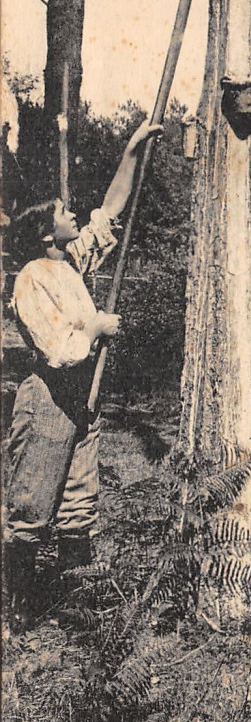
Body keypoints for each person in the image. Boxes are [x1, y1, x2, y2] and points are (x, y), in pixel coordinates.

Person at [3, 118, 162, 630]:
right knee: (33, 502)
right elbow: (58, 350)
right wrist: (94, 327)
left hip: (82, 399)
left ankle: (71, 604)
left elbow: (108, 213)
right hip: (49, 396)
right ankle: (19, 612)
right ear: (47, 232)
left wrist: (132, 151)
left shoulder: (71, 263)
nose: (74, 215)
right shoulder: (32, 279)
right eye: (64, 212)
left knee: (78, 500)